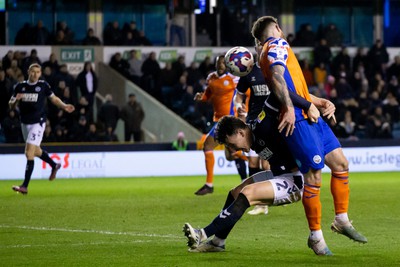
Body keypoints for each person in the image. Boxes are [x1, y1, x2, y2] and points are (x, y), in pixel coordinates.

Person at [251, 16, 367, 255]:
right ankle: (316, 237)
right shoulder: (277, 44)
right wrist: (289, 110)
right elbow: (276, 79)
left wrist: (318, 100)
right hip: (298, 119)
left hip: (307, 112)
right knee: (313, 176)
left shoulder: (267, 51)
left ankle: (342, 219)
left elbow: (291, 86)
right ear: (277, 29)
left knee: (340, 163)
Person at [183, 115, 304, 252]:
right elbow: (231, 156)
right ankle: (218, 243)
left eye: (231, 144)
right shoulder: (251, 134)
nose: (233, 150)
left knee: (247, 193)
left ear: (240, 133)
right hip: (279, 173)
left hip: (296, 179)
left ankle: (202, 234)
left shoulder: (264, 129)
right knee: (235, 192)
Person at [8, 63, 75, 195]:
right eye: (33, 71)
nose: (35, 74)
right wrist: (16, 100)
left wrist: (64, 106)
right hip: (24, 123)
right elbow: (11, 105)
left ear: (40, 73)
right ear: (28, 71)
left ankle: (24, 186)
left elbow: (54, 99)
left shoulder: (43, 85)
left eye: (38, 72)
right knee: (36, 151)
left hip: (38, 123)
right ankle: (54, 165)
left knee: (29, 153)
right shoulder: (20, 86)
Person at [193, 55, 247, 196]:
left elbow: (246, 92)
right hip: (218, 120)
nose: (220, 65)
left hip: (230, 120)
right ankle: (247, 178)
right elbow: (208, 94)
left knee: (208, 146)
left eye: (223, 63)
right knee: (232, 154)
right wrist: (202, 97)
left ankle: (209, 185)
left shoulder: (234, 78)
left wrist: (244, 109)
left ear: (228, 65)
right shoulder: (211, 77)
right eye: (218, 63)